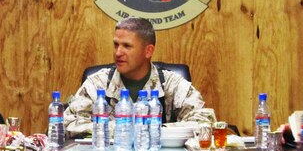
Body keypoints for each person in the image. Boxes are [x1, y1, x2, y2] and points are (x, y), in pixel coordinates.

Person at [64, 17, 210, 137]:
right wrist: (121, 129)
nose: (118, 53)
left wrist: (151, 130)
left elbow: (204, 122)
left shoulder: (172, 84)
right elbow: (67, 123)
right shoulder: (98, 84)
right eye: (116, 45)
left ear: (148, 51)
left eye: (127, 46)